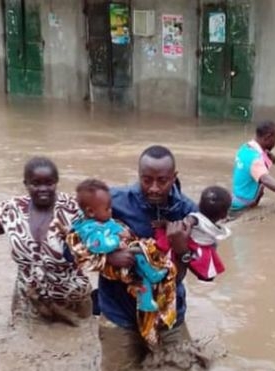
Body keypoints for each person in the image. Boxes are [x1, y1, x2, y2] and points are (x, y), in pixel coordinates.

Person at [96, 145, 208, 370]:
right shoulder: (113, 203)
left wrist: (182, 249)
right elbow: (71, 248)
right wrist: (108, 256)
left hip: (167, 313)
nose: (154, 188)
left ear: (174, 177)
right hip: (120, 312)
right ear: (138, 175)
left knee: (189, 366)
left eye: (162, 181)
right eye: (146, 180)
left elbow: (203, 272)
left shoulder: (189, 213)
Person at [0, 157, 92, 325]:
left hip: (71, 297)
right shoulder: (13, 209)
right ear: (26, 183)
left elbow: (95, 249)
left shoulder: (74, 209)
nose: (43, 189)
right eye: (35, 184)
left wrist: (73, 239)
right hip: (29, 297)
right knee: (25, 342)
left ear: (57, 182)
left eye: (49, 183)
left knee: (78, 341)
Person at [70, 179, 169, 313]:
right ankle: (153, 275)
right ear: (91, 212)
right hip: (118, 284)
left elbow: (113, 227)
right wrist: (116, 243)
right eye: (108, 209)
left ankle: (146, 301)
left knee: (141, 276)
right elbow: (98, 245)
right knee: (140, 260)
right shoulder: (90, 228)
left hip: (133, 265)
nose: (111, 211)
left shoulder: (102, 217)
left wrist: (124, 233)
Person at [155, 185, 232, 281]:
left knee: (162, 241)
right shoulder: (210, 225)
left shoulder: (196, 218)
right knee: (206, 267)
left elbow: (185, 224)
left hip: (188, 244)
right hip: (198, 247)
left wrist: (167, 224)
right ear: (224, 214)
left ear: (199, 205)